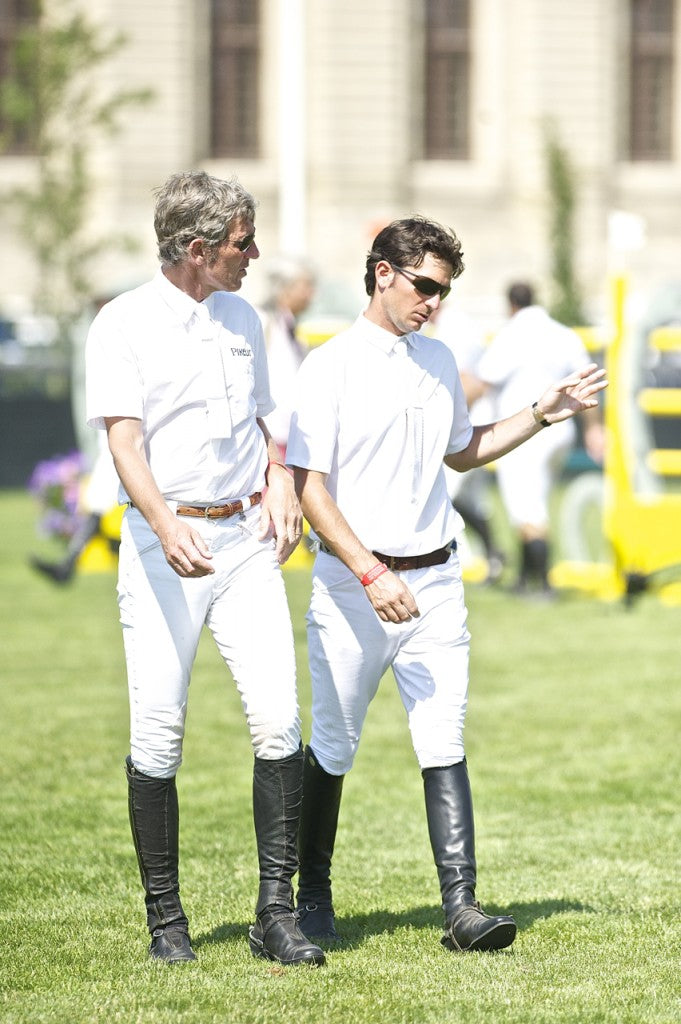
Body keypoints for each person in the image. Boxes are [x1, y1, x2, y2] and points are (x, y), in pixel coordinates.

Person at [286, 217, 607, 953]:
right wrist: (368, 572)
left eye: (444, 290)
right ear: (382, 274)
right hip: (351, 586)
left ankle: (460, 909)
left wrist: (539, 414)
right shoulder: (328, 365)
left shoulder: (436, 359)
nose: (434, 301)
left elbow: (462, 453)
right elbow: (309, 488)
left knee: (443, 737)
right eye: (424, 285)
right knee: (333, 745)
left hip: (436, 582)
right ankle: (311, 901)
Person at [85, 170, 325, 968]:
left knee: (280, 723)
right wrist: (162, 523)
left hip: (244, 545)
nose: (253, 255)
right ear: (196, 250)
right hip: (164, 547)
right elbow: (124, 443)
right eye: (241, 243)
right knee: (158, 734)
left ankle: (275, 914)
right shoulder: (121, 323)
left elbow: (266, 422)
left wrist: (280, 481)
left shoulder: (244, 318)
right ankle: (166, 924)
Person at [476, 282, 605, 595]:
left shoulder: (509, 335)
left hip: (525, 431)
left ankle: (544, 584)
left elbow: (485, 379)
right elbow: (586, 382)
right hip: (561, 431)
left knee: (525, 507)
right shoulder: (564, 334)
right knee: (535, 502)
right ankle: (524, 579)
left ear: (511, 305)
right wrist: (593, 429)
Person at [430, 303, 505, 583]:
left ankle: (462, 561)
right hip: (477, 419)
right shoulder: (459, 323)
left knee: (444, 493)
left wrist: (448, 422)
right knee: (472, 500)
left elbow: (469, 383)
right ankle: (494, 557)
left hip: (470, 423)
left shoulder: (453, 327)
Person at [30, 431, 121, 584]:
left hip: (121, 454)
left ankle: (67, 566)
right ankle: (67, 565)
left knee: (98, 513)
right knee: (96, 515)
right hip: (112, 455)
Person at [256, 254, 316, 456]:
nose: (311, 294)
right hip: (271, 440)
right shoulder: (262, 321)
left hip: (290, 437)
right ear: (284, 287)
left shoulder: (288, 324)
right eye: (305, 286)